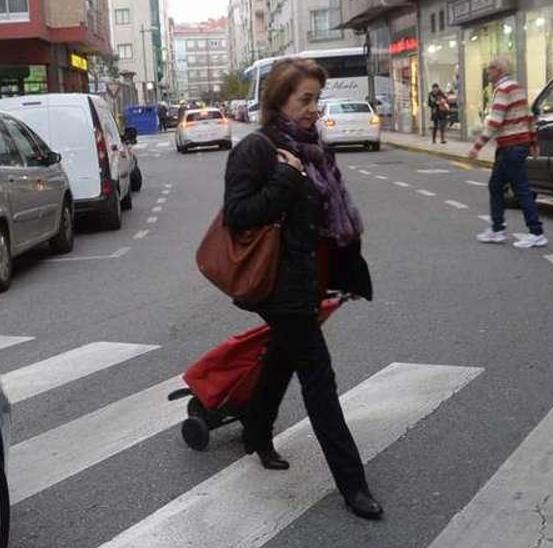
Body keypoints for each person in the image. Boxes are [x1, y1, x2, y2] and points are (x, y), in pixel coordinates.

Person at [222, 58, 383, 521]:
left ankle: (255, 427)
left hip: (307, 278)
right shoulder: (259, 150)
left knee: (283, 355)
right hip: (277, 284)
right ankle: (353, 484)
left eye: (317, 98)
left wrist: (343, 273)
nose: (315, 108)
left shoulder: (314, 146)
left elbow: (327, 220)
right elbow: (237, 212)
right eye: (305, 99)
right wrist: (285, 178)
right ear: (279, 102)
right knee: (318, 377)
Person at [467, 57, 547, 249]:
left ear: (499, 70)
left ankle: (535, 232)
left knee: (520, 188)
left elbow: (495, 122)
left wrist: (477, 146)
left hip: (510, 146)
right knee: (497, 185)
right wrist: (533, 142)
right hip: (517, 145)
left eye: (490, 69)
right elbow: (529, 117)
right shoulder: (517, 88)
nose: (488, 73)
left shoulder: (503, 90)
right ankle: (497, 229)